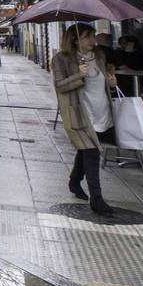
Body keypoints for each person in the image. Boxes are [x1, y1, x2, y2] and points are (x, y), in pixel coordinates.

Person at [52, 23, 115, 216]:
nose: (92, 40)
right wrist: (78, 75)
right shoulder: (61, 59)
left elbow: (103, 83)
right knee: (92, 151)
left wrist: (111, 83)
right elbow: (59, 85)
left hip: (101, 111)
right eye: (87, 37)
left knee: (87, 149)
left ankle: (74, 180)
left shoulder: (100, 56)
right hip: (79, 114)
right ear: (75, 39)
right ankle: (97, 199)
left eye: (93, 36)